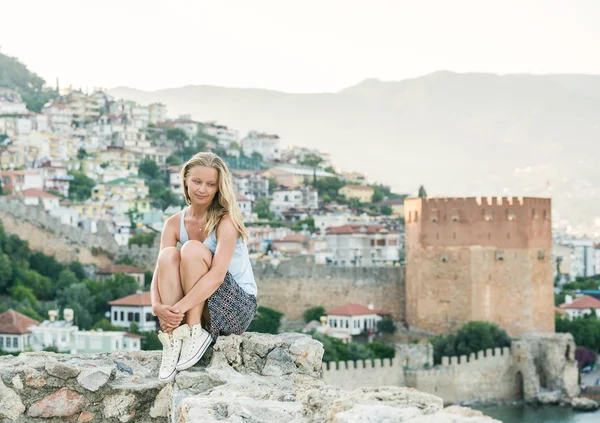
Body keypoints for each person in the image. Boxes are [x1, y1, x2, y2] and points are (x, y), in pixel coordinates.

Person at [150, 152, 258, 382]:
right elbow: (159, 270)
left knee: (192, 249)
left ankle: (194, 331)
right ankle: (174, 339)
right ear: (186, 180)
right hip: (195, 304)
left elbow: (217, 276)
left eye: (210, 184)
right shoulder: (173, 223)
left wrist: (176, 310)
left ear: (219, 188)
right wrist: (157, 306)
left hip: (235, 306)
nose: (202, 189)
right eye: (197, 182)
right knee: (169, 255)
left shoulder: (226, 220)